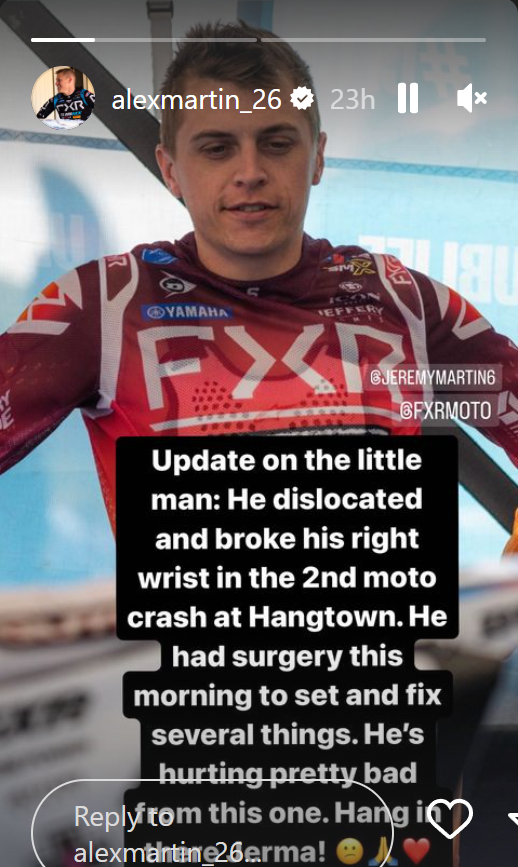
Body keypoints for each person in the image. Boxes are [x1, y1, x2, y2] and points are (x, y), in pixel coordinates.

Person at [3, 21, 517, 541]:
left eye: (276, 143)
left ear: (316, 156)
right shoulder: (105, 302)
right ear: (170, 169)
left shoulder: (400, 296)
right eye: (217, 148)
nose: (250, 172)